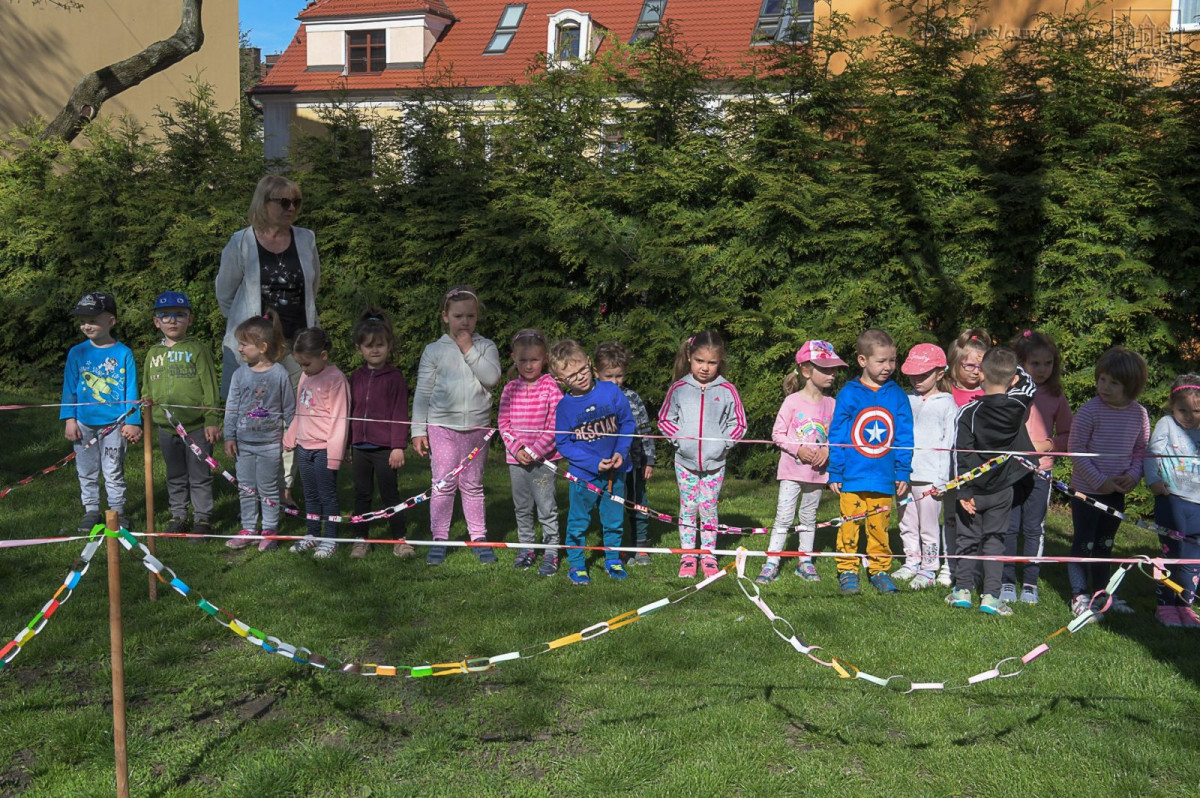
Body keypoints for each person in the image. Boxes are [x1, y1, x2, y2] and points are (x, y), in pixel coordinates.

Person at [216, 175, 320, 510]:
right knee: (253, 418)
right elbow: (225, 293)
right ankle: (253, 488)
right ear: (264, 203)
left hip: (297, 344)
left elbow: (312, 287)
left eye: (296, 202)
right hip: (255, 349)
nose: (292, 208)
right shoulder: (242, 241)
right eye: (284, 202)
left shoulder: (306, 239)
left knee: (293, 418)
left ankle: (284, 489)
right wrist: (251, 333)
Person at [410, 286, 502, 566]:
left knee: (473, 485)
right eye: (458, 316)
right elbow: (423, 392)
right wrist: (418, 430)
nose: (465, 322)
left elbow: (492, 378)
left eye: (470, 317)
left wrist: (468, 349)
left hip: (477, 428)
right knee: (443, 483)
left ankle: (479, 537)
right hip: (442, 428)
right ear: (445, 317)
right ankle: (440, 538)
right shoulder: (434, 350)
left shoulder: (485, 346)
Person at [945, 348, 1037, 616]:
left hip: (972, 490)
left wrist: (964, 491)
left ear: (981, 373)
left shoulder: (968, 412)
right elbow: (1027, 382)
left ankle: (962, 590)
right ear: (1012, 381)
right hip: (1003, 488)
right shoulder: (1017, 404)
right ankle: (991, 596)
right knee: (996, 539)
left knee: (967, 538)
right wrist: (1013, 372)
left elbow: (961, 455)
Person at [827, 329, 913, 596]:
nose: (888, 367)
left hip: (884, 477)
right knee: (850, 525)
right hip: (852, 476)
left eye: (892, 360)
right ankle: (848, 570)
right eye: (881, 361)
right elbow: (838, 435)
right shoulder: (849, 394)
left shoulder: (897, 396)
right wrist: (835, 471)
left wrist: (902, 470)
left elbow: (904, 435)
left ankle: (879, 570)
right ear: (862, 360)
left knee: (880, 527)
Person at [1067, 346, 1150, 616]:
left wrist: (1134, 476)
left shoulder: (1139, 414)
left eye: (1114, 383)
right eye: (1102, 379)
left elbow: (1141, 450)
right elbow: (1075, 449)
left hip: (1116, 493)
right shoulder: (1089, 411)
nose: (1105, 386)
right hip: (1086, 491)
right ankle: (1079, 595)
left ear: (1132, 386)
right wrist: (1099, 481)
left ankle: (1102, 594)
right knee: (1084, 543)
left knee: (1105, 545)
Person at [658, 331, 747, 579]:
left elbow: (738, 424)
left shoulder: (728, 390)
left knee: (708, 508)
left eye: (711, 362)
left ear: (720, 362)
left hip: (715, 463)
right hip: (684, 462)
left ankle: (708, 554)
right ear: (689, 357)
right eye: (700, 361)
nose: (705, 368)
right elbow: (665, 419)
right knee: (688, 506)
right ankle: (688, 555)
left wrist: (723, 444)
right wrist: (679, 440)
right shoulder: (679, 388)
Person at [757, 340, 846, 585]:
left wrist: (827, 451)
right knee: (784, 517)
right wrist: (799, 449)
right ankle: (772, 561)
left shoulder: (833, 404)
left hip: (817, 475)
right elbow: (778, 434)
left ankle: (804, 561)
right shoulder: (792, 402)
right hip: (791, 472)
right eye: (825, 369)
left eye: (834, 369)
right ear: (806, 371)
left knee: (809, 517)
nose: (832, 374)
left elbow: (838, 436)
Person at [551, 339, 635, 585]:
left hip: (616, 472)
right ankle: (576, 564)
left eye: (582, 370)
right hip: (584, 475)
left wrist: (621, 451)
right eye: (571, 376)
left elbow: (628, 423)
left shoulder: (611, 391)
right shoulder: (564, 407)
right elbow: (564, 444)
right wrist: (593, 463)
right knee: (578, 521)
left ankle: (613, 559)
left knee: (613, 518)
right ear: (560, 380)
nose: (579, 378)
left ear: (589, 363)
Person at [141, 291, 220, 541]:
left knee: (199, 474)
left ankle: (202, 518)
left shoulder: (197, 349)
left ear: (190, 319)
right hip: (167, 428)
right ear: (157, 322)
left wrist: (211, 419)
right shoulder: (153, 353)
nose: (172, 321)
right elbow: (146, 388)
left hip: (196, 427)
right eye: (165, 316)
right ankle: (178, 515)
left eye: (179, 315)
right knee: (175, 474)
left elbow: (209, 386)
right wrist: (149, 409)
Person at [61, 292, 142, 531]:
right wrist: (69, 419)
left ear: (111, 321)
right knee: (86, 469)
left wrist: (132, 421)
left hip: (115, 425)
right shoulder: (77, 353)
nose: (87, 325)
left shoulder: (123, 353)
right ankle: (91, 510)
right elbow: (69, 387)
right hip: (84, 424)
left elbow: (130, 389)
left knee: (113, 470)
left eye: (94, 320)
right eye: (84, 320)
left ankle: (116, 512)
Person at [1005, 329, 1072, 604]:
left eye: (1048, 363)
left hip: (1040, 470)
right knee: (1008, 527)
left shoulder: (1056, 396)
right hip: (1010, 470)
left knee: (1034, 528)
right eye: (1036, 363)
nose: (1043, 369)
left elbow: (1069, 436)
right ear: (1021, 363)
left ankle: (1030, 582)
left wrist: (1047, 444)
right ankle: (1007, 581)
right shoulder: (1009, 391)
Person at [223, 312, 296, 551]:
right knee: (245, 488)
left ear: (263, 347)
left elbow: (290, 409)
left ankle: (270, 531)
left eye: (244, 344)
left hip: (269, 445)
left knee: (268, 488)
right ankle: (248, 529)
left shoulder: (279, 374)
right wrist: (229, 436)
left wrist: (291, 436)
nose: (239, 348)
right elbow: (232, 407)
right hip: (244, 445)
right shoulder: (239, 374)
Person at [348, 309, 415, 560]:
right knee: (361, 495)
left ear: (389, 346)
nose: (375, 350)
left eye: (380, 345)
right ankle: (360, 539)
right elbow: (349, 413)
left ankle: (399, 539)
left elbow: (400, 414)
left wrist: (398, 446)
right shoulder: (354, 377)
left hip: (386, 449)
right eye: (369, 346)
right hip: (360, 447)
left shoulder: (395, 377)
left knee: (391, 495)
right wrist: (346, 446)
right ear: (359, 349)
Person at [498, 329, 562, 576]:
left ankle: (551, 551)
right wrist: (517, 449)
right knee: (522, 507)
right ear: (514, 358)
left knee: (546, 507)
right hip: (516, 461)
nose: (528, 365)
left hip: (544, 462)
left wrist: (535, 451)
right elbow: (503, 424)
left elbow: (556, 425)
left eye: (534, 360)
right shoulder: (509, 389)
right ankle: (526, 548)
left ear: (544, 359)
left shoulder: (551, 387)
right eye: (523, 360)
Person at [283, 327, 350, 559]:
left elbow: (340, 419)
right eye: (300, 364)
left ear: (323, 355)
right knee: (310, 494)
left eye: (306, 364)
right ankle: (312, 534)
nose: (303, 369)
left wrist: (334, 454)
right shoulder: (305, 376)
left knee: (327, 495)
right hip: (304, 447)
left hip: (323, 449)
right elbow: (301, 409)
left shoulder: (336, 379)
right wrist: (292, 435)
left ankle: (330, 538)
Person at [896, 343, 956, 590]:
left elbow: (950, 444)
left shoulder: (947, 404)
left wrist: (942, 480)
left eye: (924, 374)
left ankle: (929, 567)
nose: (917, 379)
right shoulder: (905, 400)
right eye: (913, 373)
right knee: (906, 523)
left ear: (940, 374)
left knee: (929, 527)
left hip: (931, 478)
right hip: (904, 476)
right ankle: (911, 561)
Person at [594, 341, 657, 566]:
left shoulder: (632, 397)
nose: (615, 381)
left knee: (638, 502)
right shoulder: (592, 398)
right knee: (611, 506)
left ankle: (640, 547)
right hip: (606, 465)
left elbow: (644, 431)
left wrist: (649, 459)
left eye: (619, 375)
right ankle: (616, 547)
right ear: (596, 373)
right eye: (608, 376)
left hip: (634, 463)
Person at [938, 328, 992, 587]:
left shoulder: (989, 394)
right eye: (968, 364)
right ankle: (949, 565)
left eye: (980, 366)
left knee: (975, 519)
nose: (974, 370)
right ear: (953, 364)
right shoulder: (944, 393)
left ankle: (976, 566)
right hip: (950, 468)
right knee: (950, 517)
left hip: (978, 469)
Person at [1145, 376, 1200, 627]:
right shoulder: (1166, 424)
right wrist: (1154, 480)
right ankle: (1165, 605)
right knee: (1171, 553)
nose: (1189, 416)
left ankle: (1185, 605)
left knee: (1192, 558)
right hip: (1172, 500)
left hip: (1197, 504)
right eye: (1182, 410)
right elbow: (1151, 453)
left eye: (1196, 411)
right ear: (1171, 405)